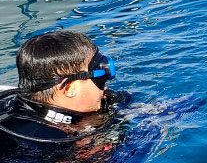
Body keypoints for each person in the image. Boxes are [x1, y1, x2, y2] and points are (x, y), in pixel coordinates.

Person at [0, 30, 128, 154]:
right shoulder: (47, 143)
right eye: (99, 78)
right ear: (69, 88)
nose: (105, 85)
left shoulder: (9, 104)